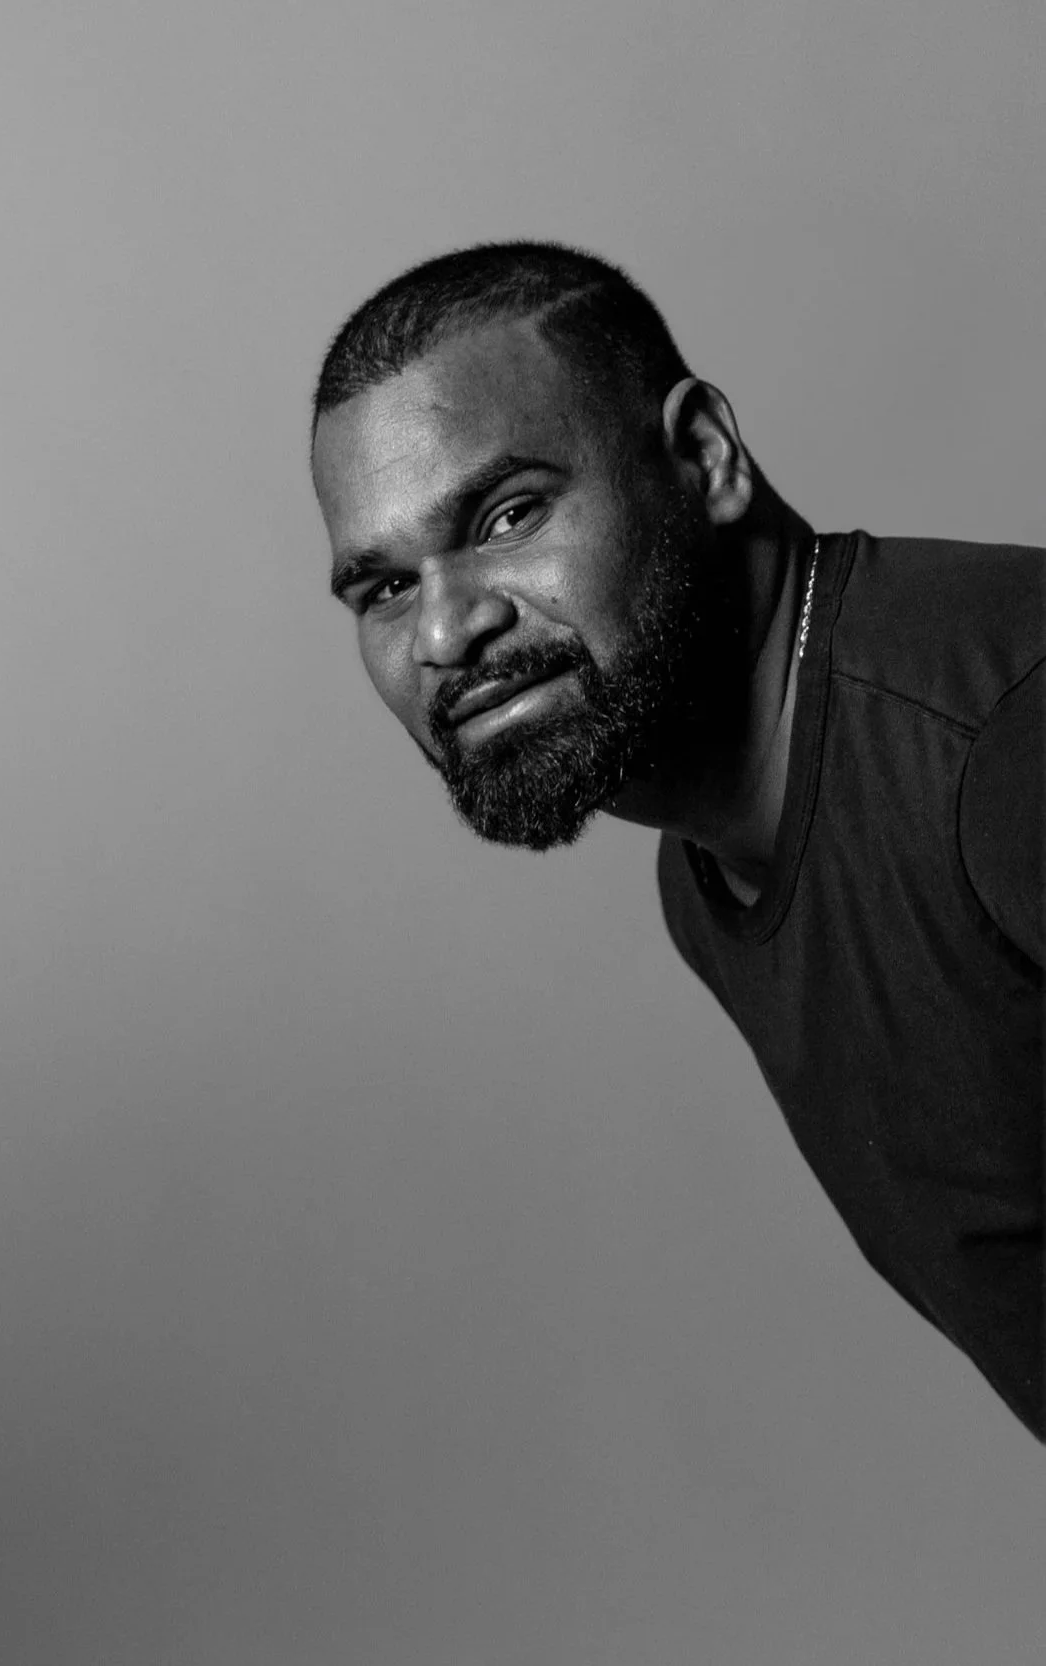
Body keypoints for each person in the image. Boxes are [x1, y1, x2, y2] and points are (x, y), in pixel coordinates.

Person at [307, 242, 1041, 1437]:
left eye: (505, 514)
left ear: (703, 457)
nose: (445, 629)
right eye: (383, 588)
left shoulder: (1002, 744)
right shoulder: (704, 871)